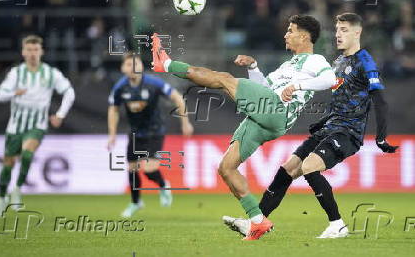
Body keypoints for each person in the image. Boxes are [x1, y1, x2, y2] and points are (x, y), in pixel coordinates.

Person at [151, 15, 337, 240]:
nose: (285, 34)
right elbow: (265, 88)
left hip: (276, 110)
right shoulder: (288, 64)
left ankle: (167, 63)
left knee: (224, 79)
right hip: (266, 115)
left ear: (304, 36)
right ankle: (258, 221)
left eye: (290, 30)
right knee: (226, 167)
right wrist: (254, 67)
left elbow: (330, 80)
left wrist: (298, 85)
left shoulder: (315, 60)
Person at [223, 12, 399, 239]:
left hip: (348, 132)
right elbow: (342, 100)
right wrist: (322, 122)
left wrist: (381, 137)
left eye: (344, 30)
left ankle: (337, 224)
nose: (338, 35)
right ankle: (255, 223)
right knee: (287, 169)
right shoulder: (338, 62)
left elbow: (380, 100)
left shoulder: (365, 62)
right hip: (330, 128)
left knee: (309, 167)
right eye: (336, 30)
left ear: (358, 32)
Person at [0, 35, 75, 218]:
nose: (32, 54)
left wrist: (60, 114)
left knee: (28, 153)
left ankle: (18, 189)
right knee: (8, 165)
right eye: (28, 50)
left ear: (41, 52)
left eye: (35, 50)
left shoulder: (51, 73)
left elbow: (69, 92)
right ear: (23, 52)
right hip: (14, 127)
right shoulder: (16, 73)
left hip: (37, 124)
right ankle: (1, 199)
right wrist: (15, 92)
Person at [108, 53, 193, 217]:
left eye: (136, 63)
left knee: (147, 169)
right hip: (134, 133)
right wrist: (112, 134)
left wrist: (185, 122)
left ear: (141, 66)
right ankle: (135, 203)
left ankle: (163, 185)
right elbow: (113, 110)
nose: (133, 67)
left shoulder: (153, 83)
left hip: (154, 131)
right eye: (128, 64)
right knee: (132, 168)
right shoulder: (120, 87)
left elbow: (177, 98)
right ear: (122, 68)